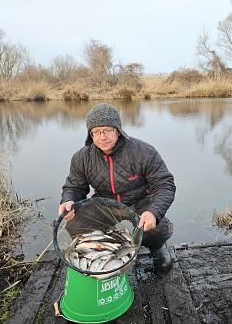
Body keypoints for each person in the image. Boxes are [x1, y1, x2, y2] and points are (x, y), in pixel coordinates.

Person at [59, 103, 176, 273]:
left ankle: (157, 248)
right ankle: (103, 250)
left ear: (118, 130)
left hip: (139, 200)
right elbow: (75, 186)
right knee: (75, 223)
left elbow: (165, 185)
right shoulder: (81, 158)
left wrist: (153, 212)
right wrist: (68, 200)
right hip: (105, 202)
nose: (102, 136)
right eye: (96, 132)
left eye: (107, 130)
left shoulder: (144, 152)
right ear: (90, 134)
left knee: (155, 228)